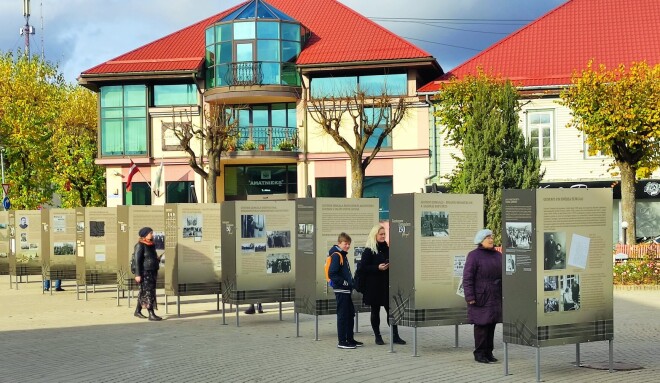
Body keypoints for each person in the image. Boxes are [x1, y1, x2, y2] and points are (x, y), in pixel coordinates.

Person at [360, 224, 406, 345]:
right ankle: (377, 336)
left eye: (384, 234)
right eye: (381, 234)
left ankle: (395, 336)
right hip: (374, 286)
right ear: (375, 235)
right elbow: (363, 267)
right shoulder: (369, 250)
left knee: (391, 310)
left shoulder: (387, 248)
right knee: (375, 311)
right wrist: (377, 267)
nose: (383, 236)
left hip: (386, 285)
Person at [463, 229, 502, 364]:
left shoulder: (498, 255)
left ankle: (488, 352)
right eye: (487, 238)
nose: (491, 239)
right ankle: (479, 353)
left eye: (492, 237)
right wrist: (470, 296)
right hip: (480, 296)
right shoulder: (473, 256)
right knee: (481, 325)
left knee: (491, 324)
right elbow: (467, 278)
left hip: (495, 295)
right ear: (480, 240)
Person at [328, 232, 362, 349]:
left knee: (350, 314)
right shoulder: (337, 255)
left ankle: (350, 339)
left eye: (348, 244)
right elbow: (332, 273)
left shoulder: (342, 254)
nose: (347, 246)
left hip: (346, 290)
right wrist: (345, 283)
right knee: (343, 315)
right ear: (339, 243)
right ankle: (342, 341)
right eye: (345, 244)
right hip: (341, 290)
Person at [134, 227, 163, 321]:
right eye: (150, 233)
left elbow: (150, 256)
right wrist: (137, 274)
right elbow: (137, 261)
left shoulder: (151, 244)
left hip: (153, 270)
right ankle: (151, 313)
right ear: (145, 234)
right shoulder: (140, 245)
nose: (152, 234)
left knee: (144, 292)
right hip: (145, 272)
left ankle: (137, 311)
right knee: (149, 292)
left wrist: (156, 259)